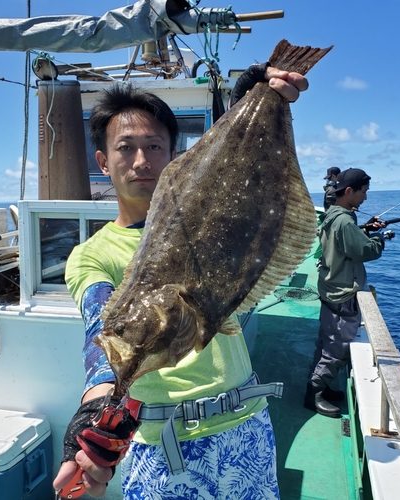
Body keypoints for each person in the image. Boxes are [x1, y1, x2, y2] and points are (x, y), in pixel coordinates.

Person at [53, 65, 309, 499]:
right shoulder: (91, 256)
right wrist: (94, 408)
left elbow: (236, 189)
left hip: (247, 425)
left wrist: (249, 107)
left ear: (172, 154)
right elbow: (100, 333)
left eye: (154, 146)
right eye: (125, 148)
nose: (141, 160)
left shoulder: (215, 224)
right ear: (102, 161)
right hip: (164, 449)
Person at [304, 168, 387, 418]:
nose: (365, 198)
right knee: (337, 347)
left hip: (331, 287)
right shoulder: (344, 220)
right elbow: (365, 252)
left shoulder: (334, 215)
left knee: (326, 342)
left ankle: (321, 385)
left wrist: (365, 230)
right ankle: (314, 393)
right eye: (363, 192)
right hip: (342, 293)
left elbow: (347, 240)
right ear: (349, 191)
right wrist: (380, 238)